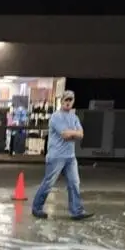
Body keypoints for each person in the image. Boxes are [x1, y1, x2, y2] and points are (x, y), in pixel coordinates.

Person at [31, 90, 93, 221]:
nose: (68, 102)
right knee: (48, 183)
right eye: (66, 100)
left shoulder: (74, 118)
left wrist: (72, 133)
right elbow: (65, 134)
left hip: (70, 157)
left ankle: (76, 211)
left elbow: (81, 134)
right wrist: (73, 133)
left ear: (73, 101)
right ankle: (36, 208)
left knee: (74, 183)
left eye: (71, 100)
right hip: (56, 156)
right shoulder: (56, 117)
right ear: (62, 101)